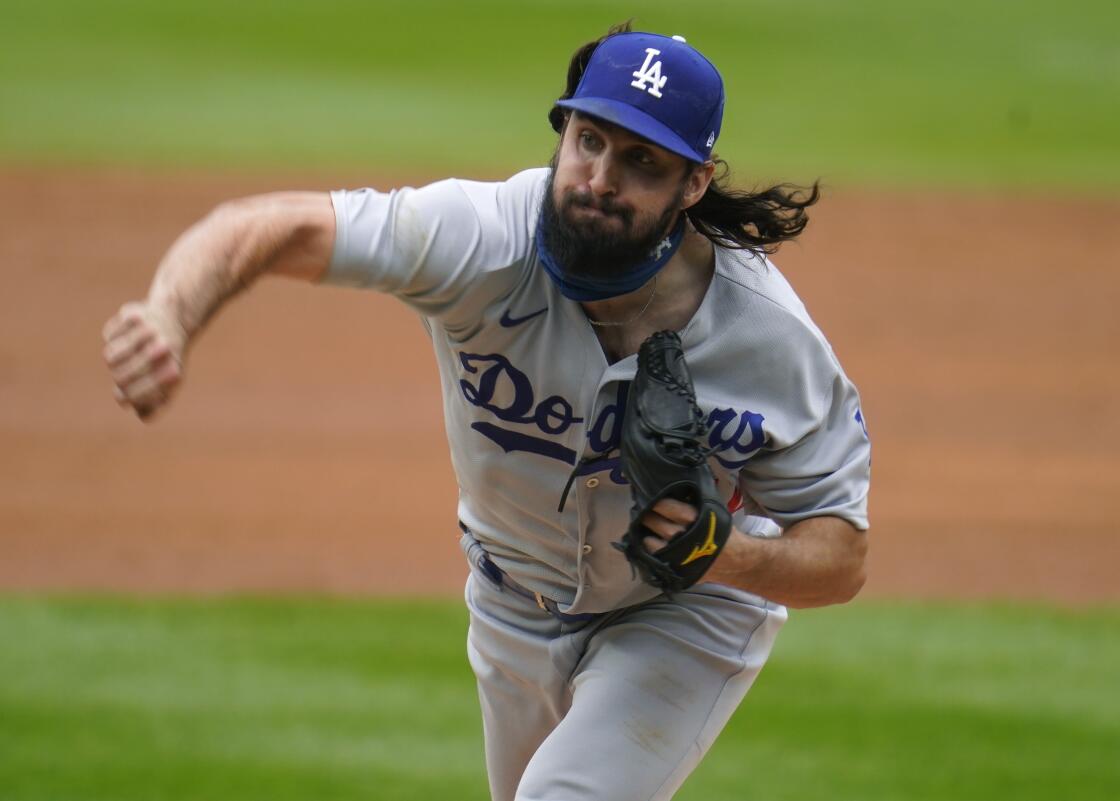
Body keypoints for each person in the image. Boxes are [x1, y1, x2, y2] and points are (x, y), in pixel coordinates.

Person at [101, 24, 871, 801]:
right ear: (564, 132)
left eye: (642, 161)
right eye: (591, 139)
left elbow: (841, 556)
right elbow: (267, 227)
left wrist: (728, 553)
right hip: (510, 600)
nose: (601, 177)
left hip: (685, 610)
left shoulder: (769, 337)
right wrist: (169, 314)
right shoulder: (479, 238)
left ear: (694, 184)